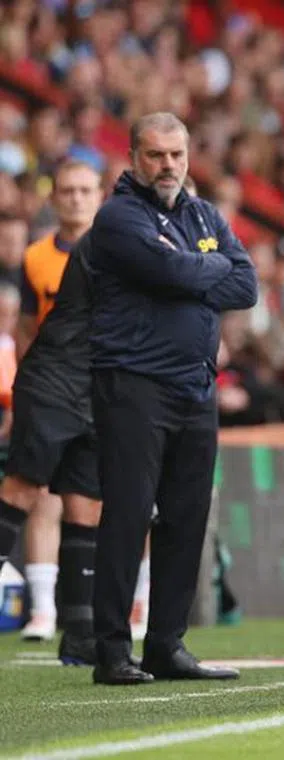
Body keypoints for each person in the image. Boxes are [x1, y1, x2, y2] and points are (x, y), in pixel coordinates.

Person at [86, 112, 257, 685]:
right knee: (129, 515)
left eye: (177, 155)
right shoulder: (117, 218)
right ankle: (110, 650)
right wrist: (204, 268)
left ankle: (166, 645)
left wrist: (192, 268)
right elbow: (170, 271)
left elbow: (246, 285)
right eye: (156, 155)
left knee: (186, 518)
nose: (168, 166)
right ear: (134, 157)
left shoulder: (203, 213)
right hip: (133, 384)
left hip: (196, 386)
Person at [0, 160, 101, 643]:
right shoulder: (36, 257)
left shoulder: (117, 251)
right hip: (49, 381)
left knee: (85, 501)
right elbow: (22, 329)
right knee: (25, 488)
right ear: (54, 197)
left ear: (99, 195)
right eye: (67, 190)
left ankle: (78, 629)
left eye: (85, 190)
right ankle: (43, 611)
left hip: (97, 384)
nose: (76, 199)